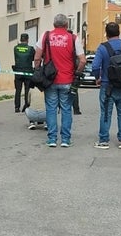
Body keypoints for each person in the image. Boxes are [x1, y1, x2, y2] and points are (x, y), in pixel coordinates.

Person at [33, 14, 86, 147]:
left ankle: (52, 139)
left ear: (54, 24)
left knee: (51, 109)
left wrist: (38, 70)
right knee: (66, 109)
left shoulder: (45, 36)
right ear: (67, 25)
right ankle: (65, 139)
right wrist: (77, 73)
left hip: (50, 80)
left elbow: (37, 58)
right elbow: (83, 60)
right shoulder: (73, 38)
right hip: (67, 79)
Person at [12, 33, 35, 113]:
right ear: (27, 39)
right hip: (28, 72)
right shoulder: (31, 49)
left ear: (21, 39)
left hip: (18, 72)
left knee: (18, 90)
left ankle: (17, 107)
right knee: (27, 90)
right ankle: (26, 105)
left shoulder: (15, 48)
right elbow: (33, 58)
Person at [68, 29, 82, 115]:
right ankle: (76, 109)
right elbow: (81, 60)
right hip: (74, 70)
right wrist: (78, 72)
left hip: (64, 70)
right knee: (74, 90)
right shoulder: (75, 43)